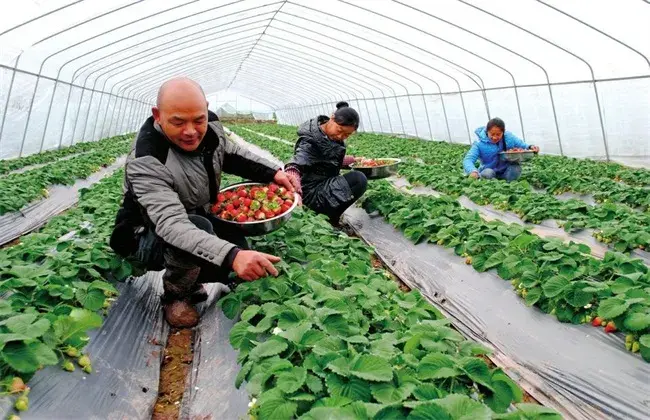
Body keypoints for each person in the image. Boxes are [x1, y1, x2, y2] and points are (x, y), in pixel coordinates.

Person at [109, 77, 297, 328]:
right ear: (158, 115)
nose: (191, 131)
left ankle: (201, 274)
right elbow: (172, 225)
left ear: (206, 109)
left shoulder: (211, 129)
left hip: (196, 215)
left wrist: (274, 173)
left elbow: (231, 155)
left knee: (235, 241)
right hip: (146, 235)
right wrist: (231, 256)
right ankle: (176, 296)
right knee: (203, 233)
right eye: (178, 122)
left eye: (199, 119)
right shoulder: (147, 159)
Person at [284, 101, 367, 226]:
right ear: (332, 118)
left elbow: (326, 159)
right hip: (310, 193)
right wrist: (293, 189)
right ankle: (329, 218)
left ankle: (330, 216)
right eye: (340, 130)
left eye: (347, 135)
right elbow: (297, 163)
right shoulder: (310, 141)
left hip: (322, 185)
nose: (341, 136)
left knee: (359, 176)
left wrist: (354, 161)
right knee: (358, 179)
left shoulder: (325, 135)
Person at [463, 117, 540, 182]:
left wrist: (531, 147)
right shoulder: (479, 143)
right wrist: (473, 171)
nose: (495, 137)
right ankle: (491, 187)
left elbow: (522, 144)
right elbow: (468, 159)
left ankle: (507, 187)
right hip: (489, 170)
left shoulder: (508, 137)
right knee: (488, 173)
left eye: (498, 134)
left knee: (516, 168)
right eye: (492, 134)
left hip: (506, 170)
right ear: (487, 131)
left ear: (503, 131)